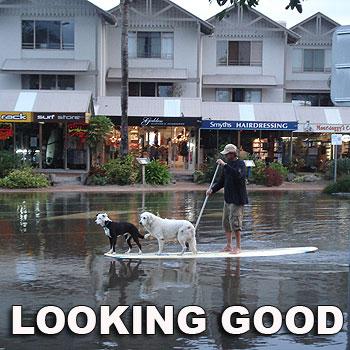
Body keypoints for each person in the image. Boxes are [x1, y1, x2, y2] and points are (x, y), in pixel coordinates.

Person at [207, 144, 248, 254]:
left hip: (237, 199)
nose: (225, 156)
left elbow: (238, 175)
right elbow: (221, 182)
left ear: (232, 154)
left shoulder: (240, 164)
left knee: (235, 223)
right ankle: (229, 246)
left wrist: (225, 165)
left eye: (227, 154)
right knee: (226, 222)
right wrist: (212, 190)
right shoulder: (228, 165)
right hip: (228, 198)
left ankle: (238, 247)